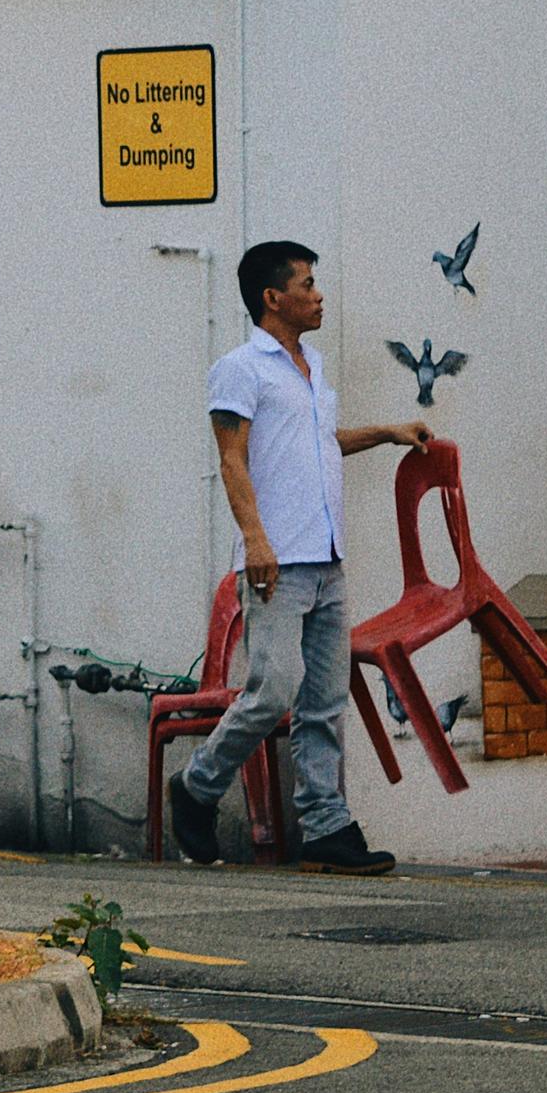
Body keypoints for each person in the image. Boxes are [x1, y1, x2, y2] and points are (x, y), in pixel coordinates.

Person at [165, 238, 430, 875]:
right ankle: (197, 786)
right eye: (307, 285)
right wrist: (255, 540)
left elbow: (318, 442)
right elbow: (232, 460)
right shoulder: (240, 369)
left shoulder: (311, 364)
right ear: (273, 297)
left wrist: (389, 432)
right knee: (272, 691)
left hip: (327, 556)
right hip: (276, 562)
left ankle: (326, 829)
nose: (319, 295)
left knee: (324, 703)